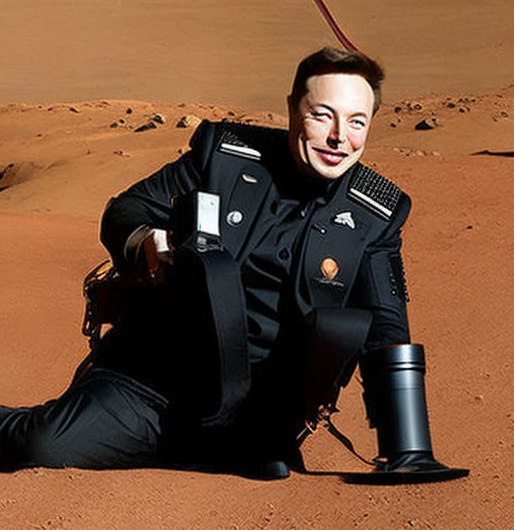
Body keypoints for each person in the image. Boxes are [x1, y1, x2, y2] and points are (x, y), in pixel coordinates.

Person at [0, 47, 462, 481]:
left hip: (257, 415)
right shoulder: (222, 156)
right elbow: (128, 209)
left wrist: (408, 451)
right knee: (46, 445)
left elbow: (386, 325)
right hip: (148, 384)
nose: (340, 137)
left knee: (264, 460)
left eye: (357, 122)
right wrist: (145, 240)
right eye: (323, 115)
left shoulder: (374, 212)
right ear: (292, 108)